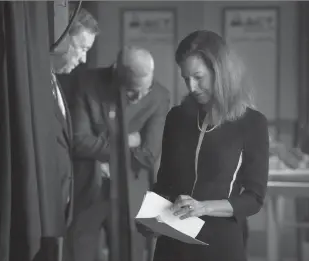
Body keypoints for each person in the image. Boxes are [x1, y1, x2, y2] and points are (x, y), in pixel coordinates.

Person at [141, 30, 269, 261]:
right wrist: (150, 216)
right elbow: (165, 182)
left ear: (219, 71)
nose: (191, 86)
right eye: (185, 78)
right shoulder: (177, 117)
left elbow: (253, 199)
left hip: (220, 243)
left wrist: (203, 207)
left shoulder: (252, 123)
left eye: (198, 77)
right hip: (172, 244)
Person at [67, 46, 170, 261]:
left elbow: (149, 154)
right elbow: (79, 141)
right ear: (116, 74)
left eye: (145, 90)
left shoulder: (159, 97)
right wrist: (128, 140)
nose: (139, 96)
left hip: (131, 195)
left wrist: (104, 147)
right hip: (89, 191)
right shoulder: (87, 84)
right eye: (133, 91)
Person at [32, 6, 99, 261]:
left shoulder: (56, 83)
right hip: (38, 214)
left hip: (56, 213)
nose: (83, 59)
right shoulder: (35, 85)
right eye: (81, 48)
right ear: (60, 39)